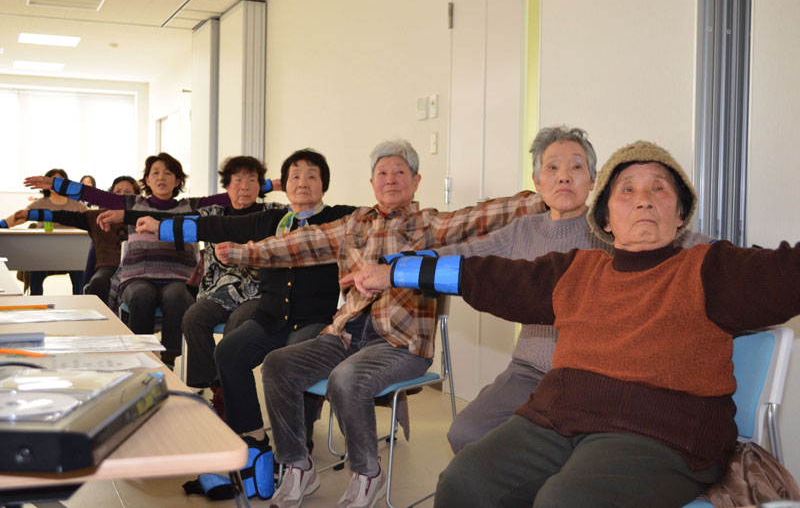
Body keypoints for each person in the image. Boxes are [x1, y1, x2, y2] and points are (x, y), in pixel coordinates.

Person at [351, 140, 800, 508]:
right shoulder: (578, 271)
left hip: (663, 431)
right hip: (558, 418)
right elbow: (484, 274)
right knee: (462, 483)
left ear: (681, 215)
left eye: (659, 189)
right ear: (604, 218)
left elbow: (786, 274)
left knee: (564, 501)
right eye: (627, 190)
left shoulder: (711, 268)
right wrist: (395, 273)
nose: (643, 198)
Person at [215, 139, 544, 508]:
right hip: (346, 334)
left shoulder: (429, 223)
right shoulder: (354, 223)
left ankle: (367, 473)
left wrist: (543, 194)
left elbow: (483, 215)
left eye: (400, 172)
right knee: (278, 363)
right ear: (371, 183)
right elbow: (300, 242)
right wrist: (242, 251)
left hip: (400, 343)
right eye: (382, 173)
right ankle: (296, 465)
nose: (390, 180)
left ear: (416, 181)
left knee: (347, 378)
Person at [437, 126, 710, 454]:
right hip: (526, 370)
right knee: (466, 433)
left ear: (593, 181)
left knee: (558, 454)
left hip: (590, 375)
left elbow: (678, 242)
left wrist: (734, 261)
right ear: (537, 182)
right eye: (552, 168)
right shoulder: (523, 229)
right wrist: (401, 266)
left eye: (577, 167)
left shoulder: (609, 228)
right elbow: (466, 254)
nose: (564, 177)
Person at [136, 149, 355, 452]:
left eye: (311, 176)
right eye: (295, 176)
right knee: (228, 351)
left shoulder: (338, 218)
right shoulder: (273, 219)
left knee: (292, 359)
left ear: (324, 184)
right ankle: (252, 434)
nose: (302, 182)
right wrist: (163, 226)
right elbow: (220, 227)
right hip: (271, 316)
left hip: (314, 319)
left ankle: (297, 442)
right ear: (286, 185)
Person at [23, 152, 274, 367]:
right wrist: (60, 185)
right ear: (146, 179)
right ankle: (140, 356)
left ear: (178, 180)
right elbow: (97, 196)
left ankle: (168, 359)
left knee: (176, 296)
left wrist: (282, 183)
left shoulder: (192, 206)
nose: (162, 178)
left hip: (177, 277)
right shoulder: (132, 203)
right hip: (138, 275)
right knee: (141, 295)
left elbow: (236, 192)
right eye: (155, 173)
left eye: (168, 173)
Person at [5, 176, 139, 305]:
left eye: (128, 193)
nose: (121, 196)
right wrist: (31, 214)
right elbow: (64, 216)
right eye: (117, 192)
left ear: (136, 197)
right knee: (98, 283)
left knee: (140, 293)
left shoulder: (143, 215)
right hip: (109, 267)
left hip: (137, 268)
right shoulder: (96, 217)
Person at [1, 168, 88, 295]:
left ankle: (81, 304)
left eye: (59, 182)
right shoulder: (40, 203)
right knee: (36, 270)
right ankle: (35, 304)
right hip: (43, 253)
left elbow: (93, 219)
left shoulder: (77, 204)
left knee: (80, 269)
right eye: (52, 182)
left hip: (70, 253)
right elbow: (19, 217)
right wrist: (2, 224)